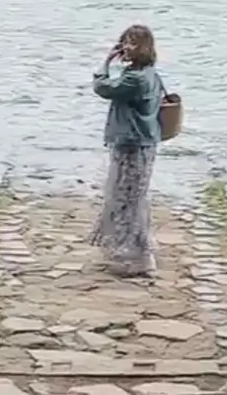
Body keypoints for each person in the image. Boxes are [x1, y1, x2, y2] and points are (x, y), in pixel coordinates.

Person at [89, 23, 164, 278]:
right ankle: (138, 251)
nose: (127, 47)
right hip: (145, 142)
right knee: (136, 197)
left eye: (133, 43)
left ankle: (135, 256)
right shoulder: (149, 74)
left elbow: (104, 88)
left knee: (125, 198)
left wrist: (106, 63)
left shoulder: (135, 79)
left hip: (132, 144)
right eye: (125, 41)